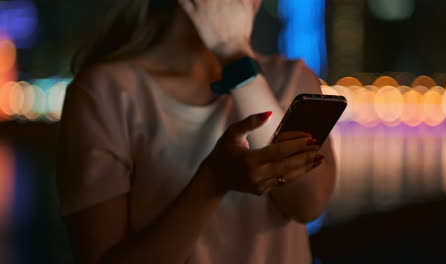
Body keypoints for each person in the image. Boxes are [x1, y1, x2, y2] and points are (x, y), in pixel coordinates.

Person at [56, 0, 337, 263]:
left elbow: (308, 205)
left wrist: (235, 57)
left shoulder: (291, 78)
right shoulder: (107, 92)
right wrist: (212, 183)